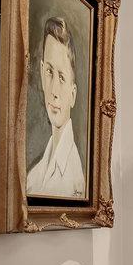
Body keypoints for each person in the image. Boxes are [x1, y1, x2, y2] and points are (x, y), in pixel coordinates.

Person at [26, 17, 86, 199]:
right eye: (49, 72)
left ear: (73, 95)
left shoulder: (75, 180)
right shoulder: (33, 176)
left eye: (61, 77)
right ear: (41, 71)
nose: (53, 91)